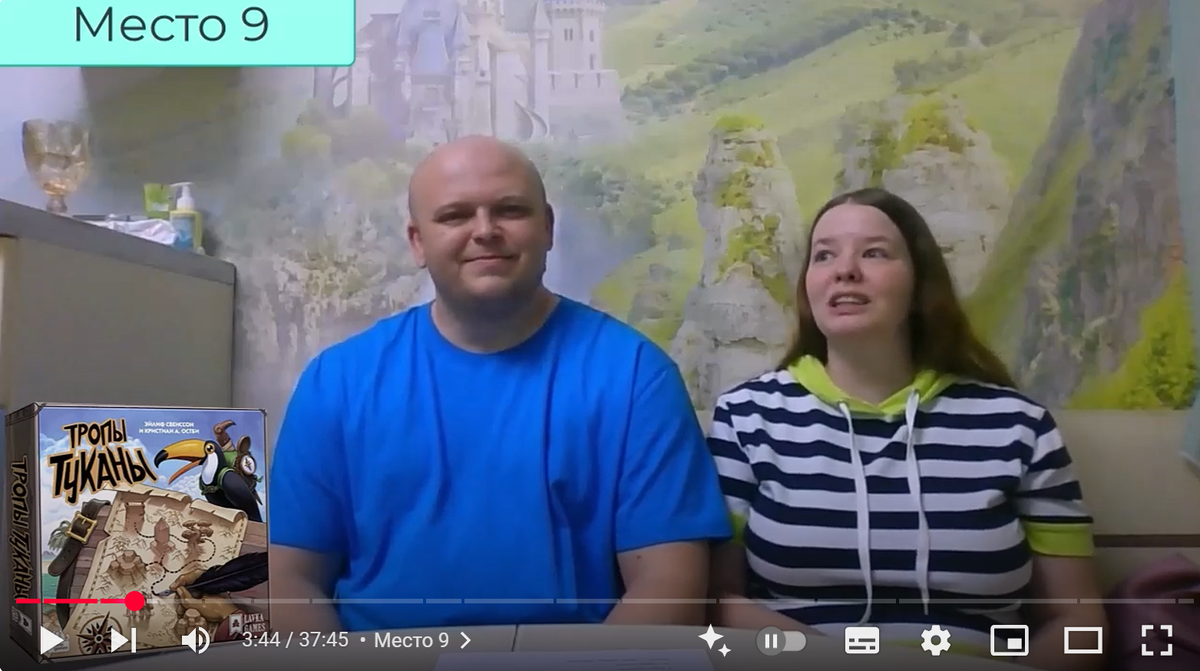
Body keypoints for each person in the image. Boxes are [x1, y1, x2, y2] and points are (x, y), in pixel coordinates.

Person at [267, 135, 732, 633]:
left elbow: (669, 588)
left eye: (510, 210)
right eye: (455, 216)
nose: (485, 231)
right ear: (418, 242)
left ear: (547, 227)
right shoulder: (335, 382)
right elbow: (287, 579)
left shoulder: (638, 377)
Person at [707, 187, 1107, 670]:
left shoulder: (1019, 426)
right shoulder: (747, 417)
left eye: (874, 253)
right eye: (824, 255)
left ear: (920, 286)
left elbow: (1079, 624)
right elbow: (715, 601)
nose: (845, 269)